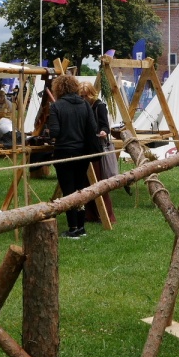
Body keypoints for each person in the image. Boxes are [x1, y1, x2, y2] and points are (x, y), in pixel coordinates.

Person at [46, 75, 101, 238]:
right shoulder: (84, 104)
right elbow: (92, 127)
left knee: (68, 191)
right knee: (79, 189)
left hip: (64, 153)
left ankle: (73, 228)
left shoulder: (57, 106)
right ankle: (81, 227)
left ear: (58, 89)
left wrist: (50, 133)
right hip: (82, 153)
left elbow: (55, 132)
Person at [78, 82, 116, 225]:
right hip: (85, 147)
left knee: (99, 183)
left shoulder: (99, 106)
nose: (83, 98)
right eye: (81, 96)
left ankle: (106, 215)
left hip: (96, 148)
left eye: (85, 96)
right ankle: (91, 214)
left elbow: (105, 125)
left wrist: (103, 131)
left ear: (91, 94)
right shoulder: (82, 106)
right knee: (86, 184)